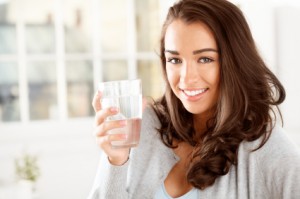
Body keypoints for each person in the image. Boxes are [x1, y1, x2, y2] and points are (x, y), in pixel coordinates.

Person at [88, 0, 300, 198]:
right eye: (175, 59)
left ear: (235, 63)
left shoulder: (266, 150)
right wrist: (116, 161)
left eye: (205, 59)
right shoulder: (144, 127)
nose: (186, 77)